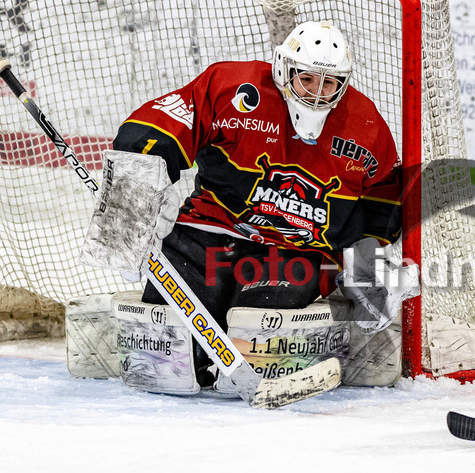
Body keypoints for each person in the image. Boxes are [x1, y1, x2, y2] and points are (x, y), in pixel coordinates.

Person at [104, 20, 404, 387]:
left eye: (328, 84)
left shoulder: (366, 124)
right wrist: (139, 191)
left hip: (295, 251)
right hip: (209, 231)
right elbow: (162, 123)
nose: (316, 94)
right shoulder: (236, 89)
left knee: (261, 325)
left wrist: (367, 253)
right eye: (306, 79)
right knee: (169, 344)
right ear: (284, 70)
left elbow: (383, 197)